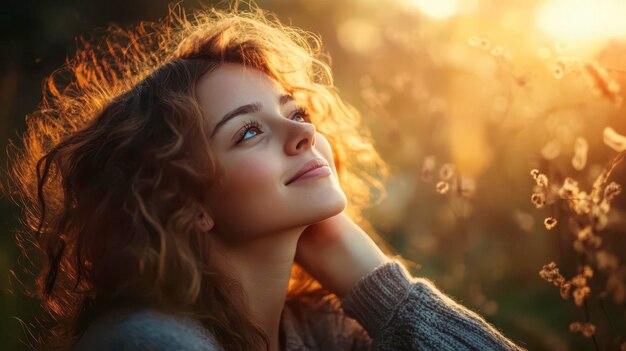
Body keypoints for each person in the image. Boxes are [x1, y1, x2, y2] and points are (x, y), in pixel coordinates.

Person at [2, 2, 527, 351]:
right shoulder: (148, 342)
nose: (303, 134)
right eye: (247, 132)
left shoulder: (314, 329)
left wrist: (382, 291)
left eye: (295, 113)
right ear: (185, 203)